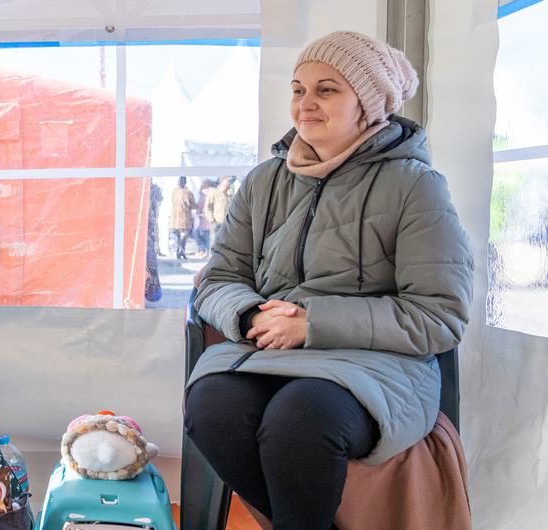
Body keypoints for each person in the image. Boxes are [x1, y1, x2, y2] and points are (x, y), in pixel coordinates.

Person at [183, 31, 472, 529]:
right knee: (211, 407)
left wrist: (311, 324)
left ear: (369, 103)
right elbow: (220, 278)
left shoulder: (415, 186)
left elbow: (438, 316)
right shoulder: (263, 181)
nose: (306, 103)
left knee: (302, 418)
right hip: (267, 352)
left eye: (327, 89)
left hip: (377, 364)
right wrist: (252, 313)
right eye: (298, 89)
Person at [203, 175, 235, 252]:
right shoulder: (213, 192)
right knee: (214, 244)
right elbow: (207, 207)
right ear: (222, 183)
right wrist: (212, 220)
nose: (229, 185)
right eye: (227, 183)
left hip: (227, 224)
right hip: (216, 223)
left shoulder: (229, 195)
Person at [169, 176, 197, 260]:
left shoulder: (174, 191)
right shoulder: (187, 192)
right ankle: (181, 250)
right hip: (184, 218)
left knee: (179, 236)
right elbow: (191, 204)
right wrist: (196, 206)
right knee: (183, 236)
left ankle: (180, 251)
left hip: (176, 218)